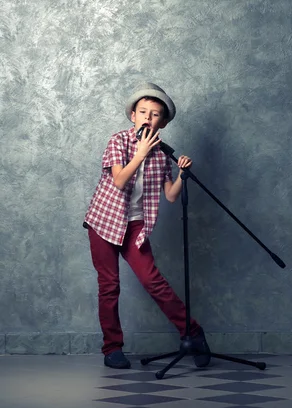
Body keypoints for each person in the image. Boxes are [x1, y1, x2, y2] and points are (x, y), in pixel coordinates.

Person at [83, 82, 210, 369]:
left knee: (153, 281)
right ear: (133, 116)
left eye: (154, 114)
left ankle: (193, 332)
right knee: (109, 286)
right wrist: (140, 153)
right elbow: (118, 181)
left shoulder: (163, 154)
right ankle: (112, 348)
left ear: (162, 122)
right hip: (104, 222)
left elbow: (170, 195)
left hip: (135, 225)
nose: (147, 118)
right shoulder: (118, 141)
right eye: (143, 112)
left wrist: (181, 175)